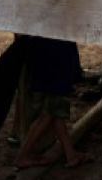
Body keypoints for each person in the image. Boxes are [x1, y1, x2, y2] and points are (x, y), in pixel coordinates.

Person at [13, 36, 90, 169]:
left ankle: (71, 155)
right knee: (49, 113)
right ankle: (22, 156)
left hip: (48, 54)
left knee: (54, 111)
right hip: (55, 57)